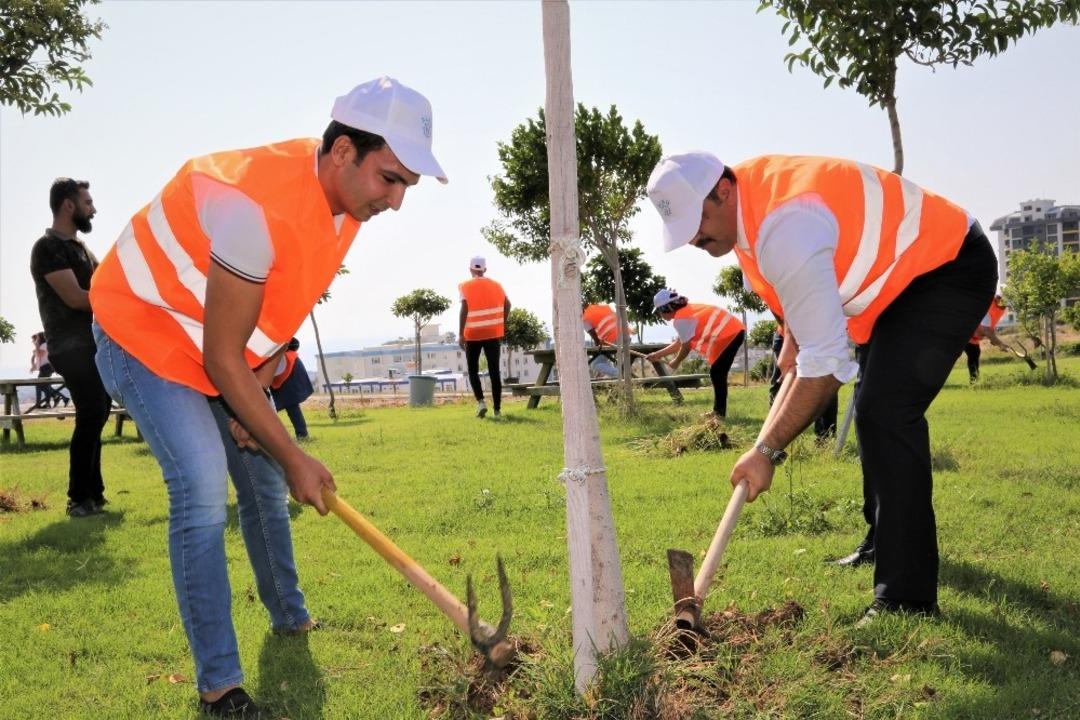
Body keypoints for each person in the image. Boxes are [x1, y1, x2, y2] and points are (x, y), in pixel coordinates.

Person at [88, 77, 447, 718]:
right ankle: (220, 688)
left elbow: (274, 310)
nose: (395, 202)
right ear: (342, 152)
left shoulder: (344, 204)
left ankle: (290, 618)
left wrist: (261, 385)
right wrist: (293, 453)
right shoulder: (251, 207)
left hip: (216, 350)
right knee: (200, 489)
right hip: (140, 331)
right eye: (389, 179)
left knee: (261, 486)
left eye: (406, 188)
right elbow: (220, 356)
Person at [647, 152, 996, 623]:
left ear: (724, 191)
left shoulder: (785, 223)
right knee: (875, 411)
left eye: (698, 220)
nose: (693, 237)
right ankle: (884, 540)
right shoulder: (752, 218)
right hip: (894, 290)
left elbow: (829, 365)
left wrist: (766, 452)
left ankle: (906, 601)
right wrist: (793, 340)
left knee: (886, 412)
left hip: (946, 265)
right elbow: (805, 292)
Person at [30, 178, 111, 518]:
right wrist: (115, 302)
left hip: (91, 344)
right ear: (68, 205)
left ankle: (93, 493)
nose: (93, 208)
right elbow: (77, 299)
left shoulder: (82, 249)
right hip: (69, 344)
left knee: (98, 410)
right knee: (93, 409)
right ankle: (78, 498)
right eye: (87, 202)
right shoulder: (48, 247)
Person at [646, 290, 745, 418]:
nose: (660, 315)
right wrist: (658, 354)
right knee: (717, 373)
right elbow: (679, 343)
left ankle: (719, 413)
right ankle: (718, 412)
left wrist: (676, 361)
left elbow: (685, 347)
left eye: (659, 311)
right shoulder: (684, 313)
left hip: (731, 334)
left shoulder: (681, 319)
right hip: (733, 332)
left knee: (717, 373)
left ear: (667, 308)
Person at [458, 256, 510, 418]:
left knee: (473, 370)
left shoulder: (464, 285)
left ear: (471, 269)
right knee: (494, 371)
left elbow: (464, 308)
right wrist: (501, 323)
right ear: (485, 269)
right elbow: (508, 304)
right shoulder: (496, 285)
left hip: (473, 333)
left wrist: (461, 333)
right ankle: (497, 410)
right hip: (492, 333)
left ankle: (481, 402)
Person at [769, 319, 836, 440]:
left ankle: (825, 439)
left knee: (823, 382)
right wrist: (789, 337)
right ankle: (771, 441)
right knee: (779, 385)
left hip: (819, 333)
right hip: (784, 332)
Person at [270, 339, 314, 440]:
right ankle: (302, 435)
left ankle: (277, 437)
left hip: (287, 382)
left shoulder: (285, 355)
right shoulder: (291, 354)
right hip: (289, 383)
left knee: (273, 408)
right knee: (292, 409)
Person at [963, 293, 1010, 382]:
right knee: (973, 353)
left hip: (973, 338)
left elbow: (992, 326)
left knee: (974, 354)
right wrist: (1000, 344)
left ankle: (974, 381)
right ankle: (974, 381)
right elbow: (987, 331)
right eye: (1000, 300)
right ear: (997, 299)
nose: (1003, 305)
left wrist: (995, 340)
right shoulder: (986, 307)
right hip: (965, 333)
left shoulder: (1000, 309)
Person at [581, 303, 630, 378]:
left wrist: (596, 350)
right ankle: (614, 377)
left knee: (595, 364)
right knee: (604, 361)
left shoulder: (585, 319)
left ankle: (618, 375)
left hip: (614, 340)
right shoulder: (598, 309)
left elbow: (596, 339)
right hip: (626, 336)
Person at [29, 331, 69, 409]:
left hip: (46, 368)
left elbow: (39, 354)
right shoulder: (42, 346)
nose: (33, 341)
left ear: (39, 338)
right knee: (44, 386)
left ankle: (45, 403)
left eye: (35, 339)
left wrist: (36, 346)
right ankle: (60, 398)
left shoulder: (44, 345)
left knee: (40, 386)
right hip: (45, 368)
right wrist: (34, 365)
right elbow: (38, 357)